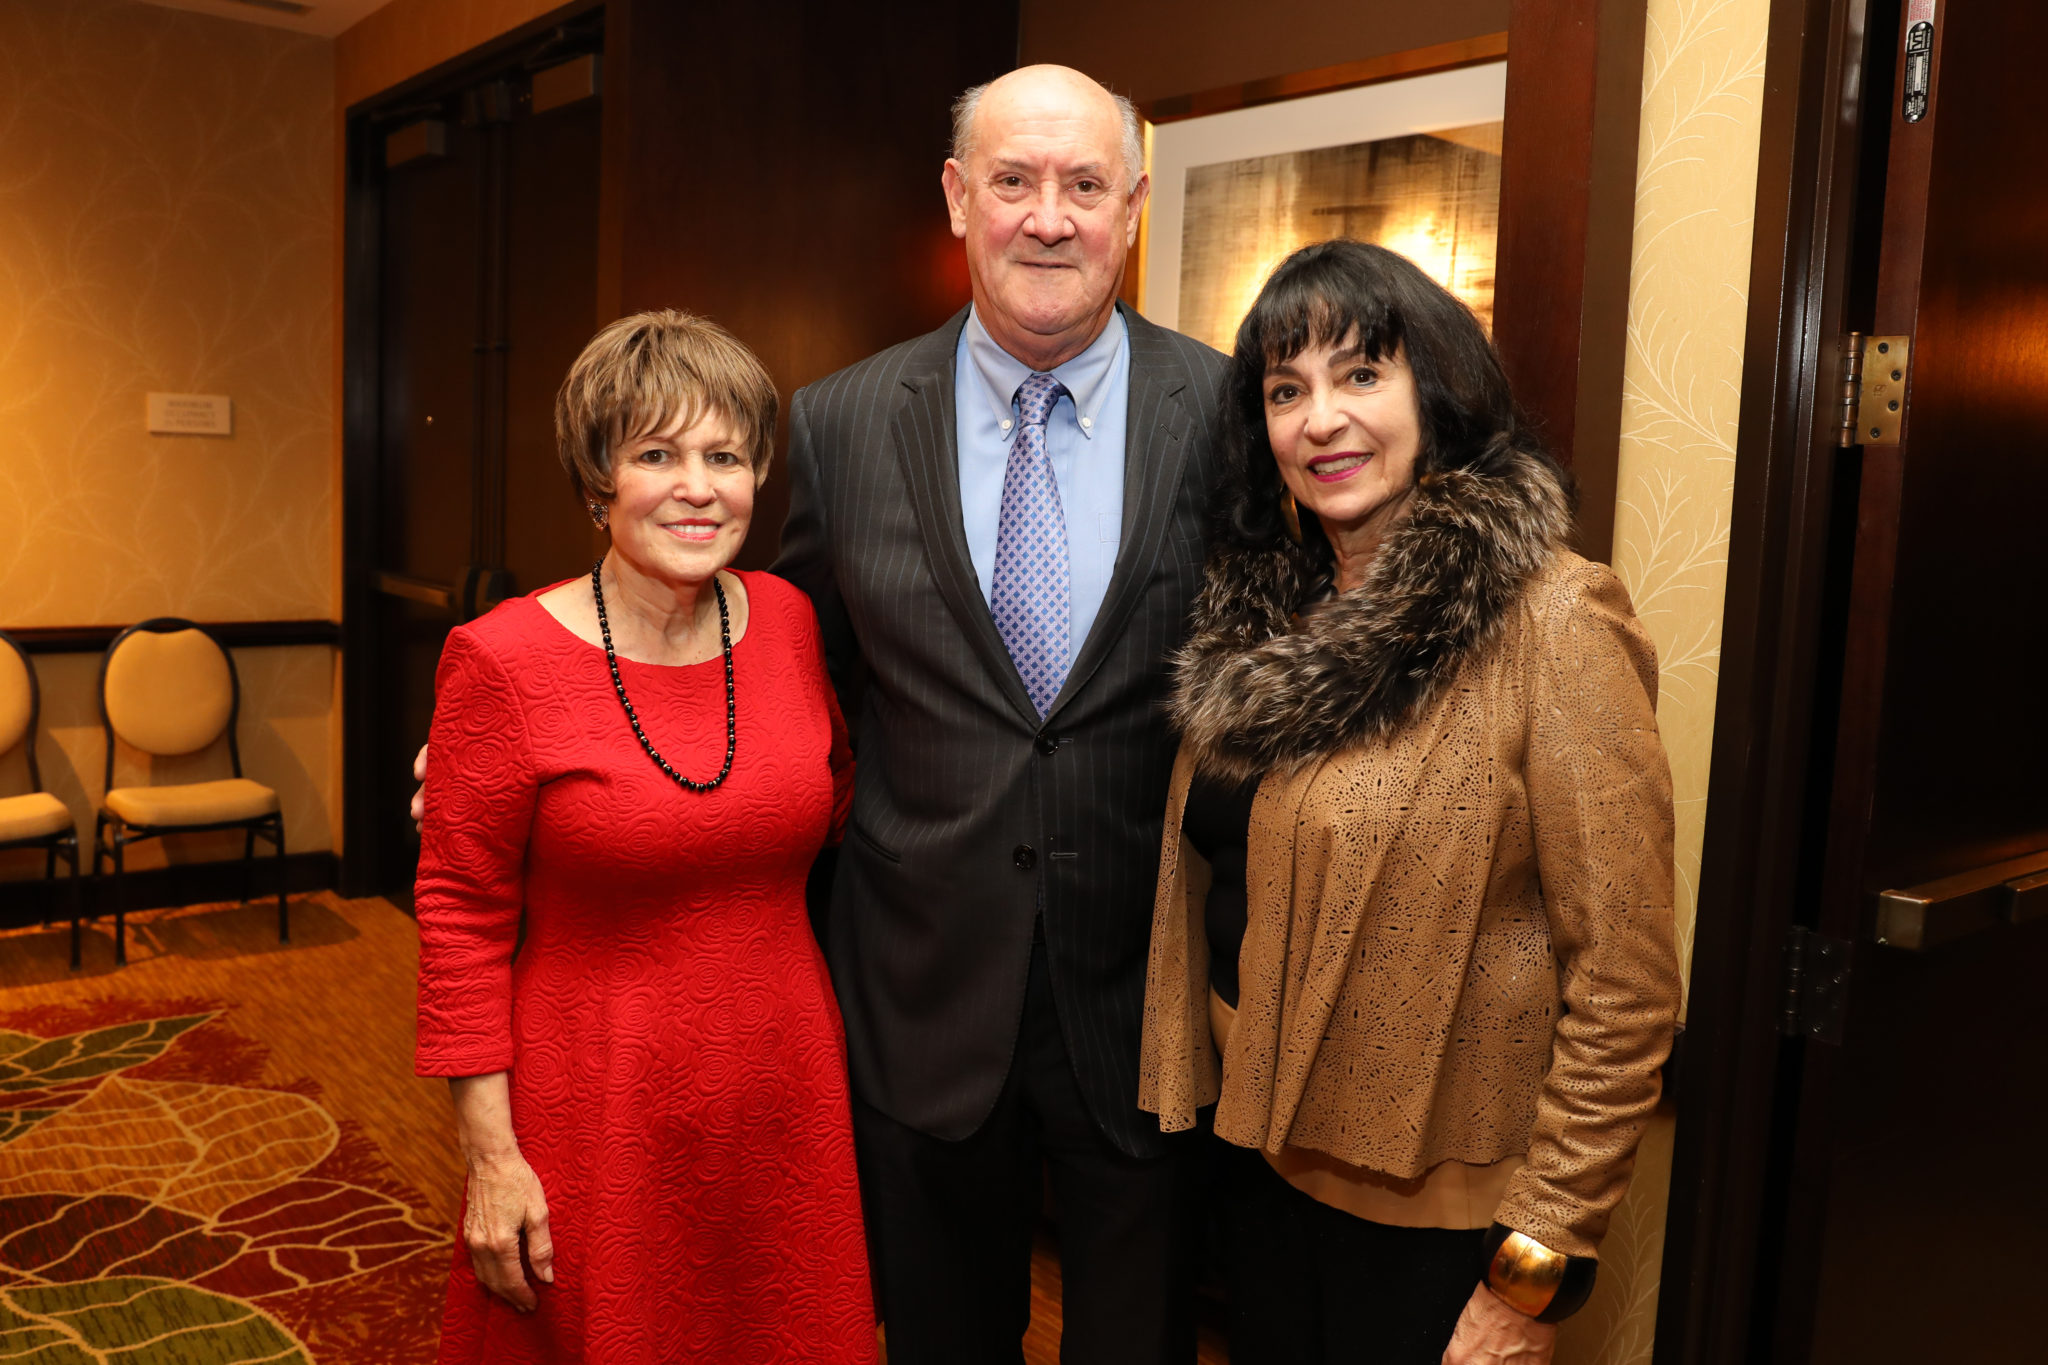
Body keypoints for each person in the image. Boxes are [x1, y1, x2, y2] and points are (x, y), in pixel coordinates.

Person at [1137, 240, 1682, 1365]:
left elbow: (1624, 984)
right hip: (1259, 1171)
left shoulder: (1553, 622)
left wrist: (1530, 1273)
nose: (1319, 419)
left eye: (1359, 374)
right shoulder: (1264, 615)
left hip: (1434, 1226)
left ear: (1437, 386)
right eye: (1285, 390)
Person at [771, 65, 1227, 1363]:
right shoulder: (841, 424)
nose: (1049, 216)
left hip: (1145, 998)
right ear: (959, 198)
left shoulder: (1231, 417)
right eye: (1016, 181)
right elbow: (787, 669)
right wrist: (577, 708)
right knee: (937, 1338)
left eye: (1085, 185)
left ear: (1132, 208)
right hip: (920, 987)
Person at [413, 311, 874, 1364]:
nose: (697, 487)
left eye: (725, 456)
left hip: (782, 1089)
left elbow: (834, 794)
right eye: (657, 454)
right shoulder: (501, 660)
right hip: (596, 1100)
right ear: (596, 477)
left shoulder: (790, 620)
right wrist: (490, 1155)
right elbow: (458, 916)